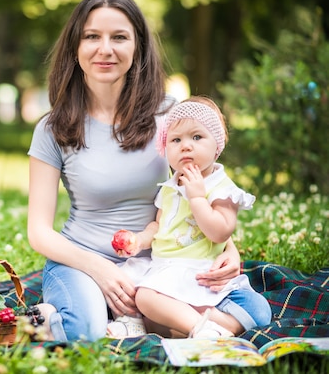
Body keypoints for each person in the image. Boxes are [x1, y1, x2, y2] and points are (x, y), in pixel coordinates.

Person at [26, 0, 242, 342]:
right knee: (85, 333)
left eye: (119, 37)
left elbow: (206, 190)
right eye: (92, 36)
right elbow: (39, 232)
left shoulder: (171, 116)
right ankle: (54, 319)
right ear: (75, 48)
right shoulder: (53, 128)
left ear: (138, 47)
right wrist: (101, 270)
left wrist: (229, 249)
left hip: (161, 263)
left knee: (247, 312)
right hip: (81, 260)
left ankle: (133, 321)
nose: (105, 49)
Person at [111, 96, 272, 338]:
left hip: (197, 272)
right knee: (122, 283)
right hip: (163, 267)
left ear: (217, 145)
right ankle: (185, 325)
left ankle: (196, 327)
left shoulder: (220, 187)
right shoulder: (169, 187)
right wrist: (140, 241)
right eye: (176, 140)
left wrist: (197, 199)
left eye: (197, 137)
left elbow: (221, 231)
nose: (185, 146)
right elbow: (159, 224)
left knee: (258, 312)